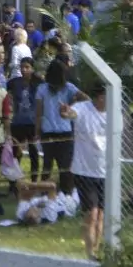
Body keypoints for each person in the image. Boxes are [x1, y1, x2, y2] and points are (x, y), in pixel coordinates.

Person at [62, 82, 108, 260]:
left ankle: (96, 249)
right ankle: (90, 253)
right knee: (91, 213)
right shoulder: (83, 108)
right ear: (100, 97)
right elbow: (71, 114)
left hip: (105, 171)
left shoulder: (114, 113)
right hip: (84, 171)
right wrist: (65, 112)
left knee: (101, 215)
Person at [34, 59, 88, 193]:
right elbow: (86, 99)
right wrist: (73, 105)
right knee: (65, 166)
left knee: (47, 165)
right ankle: (67, 193)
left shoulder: (42, 89)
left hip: (48, 132)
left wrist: (37, 132)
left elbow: (38, 114)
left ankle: (45, 193)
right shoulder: (68, 87)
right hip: (65, 132)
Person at [7, 57, 40, 181]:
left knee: (33, 152)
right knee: (15, 152)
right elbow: (4, 91)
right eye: (22, 67)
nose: (23, 70)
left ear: (32, 68)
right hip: (17, 122)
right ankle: (14, 180)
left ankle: (34, 180)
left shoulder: (38, 83)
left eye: (27, 67)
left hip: (32, 123)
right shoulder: (14, 82)